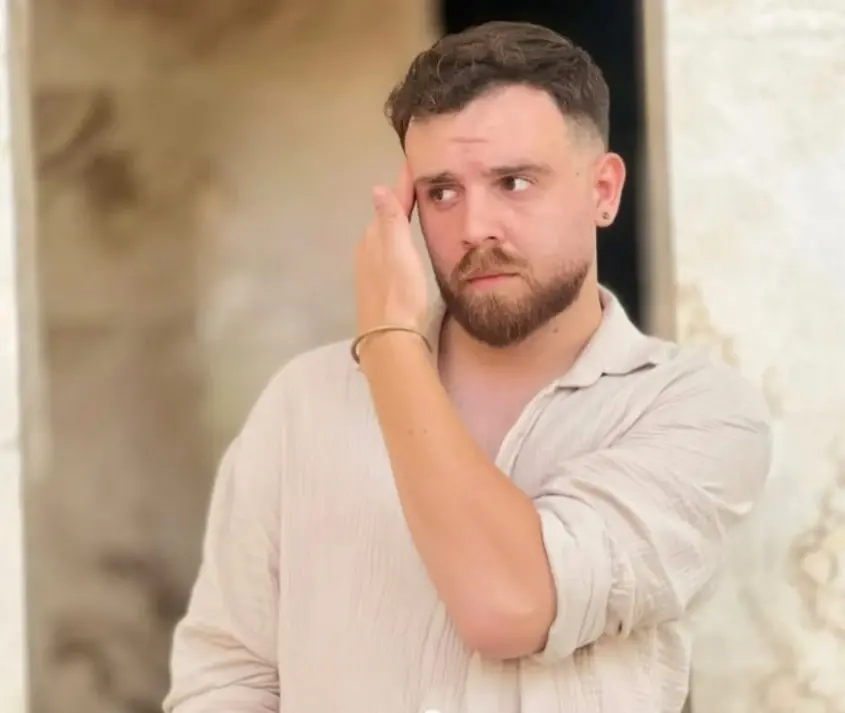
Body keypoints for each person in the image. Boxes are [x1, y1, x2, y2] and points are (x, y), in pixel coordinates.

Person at [163, 20, 771, 713]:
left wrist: (389, 339)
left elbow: (512, 605)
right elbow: (226, 676)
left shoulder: (695, 411)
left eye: (513, 181)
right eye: (442, 192)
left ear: (603, 190)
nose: (474, 226)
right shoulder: (303, 404)